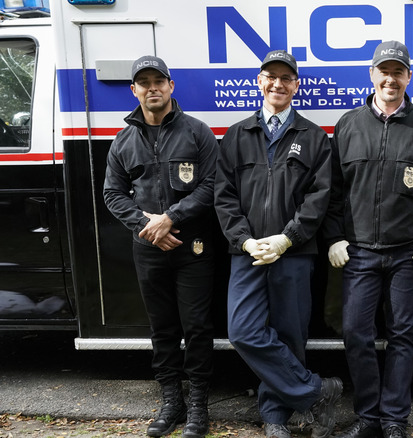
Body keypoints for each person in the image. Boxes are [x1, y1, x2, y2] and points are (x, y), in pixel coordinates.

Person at [323, 40, 413, 438]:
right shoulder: (348, 125)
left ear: (408, 77)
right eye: (384, 70)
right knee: (356, 333)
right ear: (372, 75)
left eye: (398, 71)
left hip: (408, 254)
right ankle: (368, 418)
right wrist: (334, 237)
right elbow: (332, 189)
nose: (390, 78)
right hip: (360, 252)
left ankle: (395, 420)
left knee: (403, 336)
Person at [213, 49, 341, 438]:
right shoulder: (237, 135)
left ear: (296, 85)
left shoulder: (314, 137)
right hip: (248, 254)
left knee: (289, 335)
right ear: (259, 81)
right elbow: (224, 196)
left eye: (286, 78)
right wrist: (246, 241)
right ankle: (318, 392)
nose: (278, 84)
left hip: (294, 252)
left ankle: (275, 418)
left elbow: (320, 198)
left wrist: (287, 239)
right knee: (244, 332)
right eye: (271, 77)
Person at [103, 55, 218, 438]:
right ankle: (172, 402)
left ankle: (199, 403)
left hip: (193, 245)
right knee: (162, 327)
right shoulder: (123, 141)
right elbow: (113, 195)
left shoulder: (197, 132)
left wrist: (171, 217)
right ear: (134, 89)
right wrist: (148, 226)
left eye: (159, 81)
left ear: (171, 86)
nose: (152, 87)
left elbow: (212, 185)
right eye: (144, 82)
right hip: (149, 246)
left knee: (198, 326)